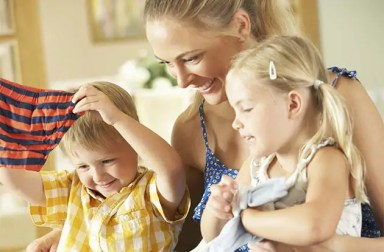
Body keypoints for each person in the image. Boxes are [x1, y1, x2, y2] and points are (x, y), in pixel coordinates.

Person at [29, 0, 384, 251]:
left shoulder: (334, 96)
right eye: (167, 63)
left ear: (241, 26)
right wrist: (80, 236)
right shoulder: (190, 129)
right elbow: (184, 238)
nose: (181, 80)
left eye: (191, 57)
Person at [201, 35, 378, 251]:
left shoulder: (326, 160)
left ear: (293, 104)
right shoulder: (257, 166)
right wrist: (217, 208)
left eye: (246, 108)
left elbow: (315, 225)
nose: (236, 123)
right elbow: (214, 236)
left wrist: (247, 220)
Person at [0, 81, 190, 251]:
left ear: (135, 145)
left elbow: (172, 169)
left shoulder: (150, 193)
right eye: (83, 166)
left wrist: (118, 119)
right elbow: (14, 179)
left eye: (107, 161)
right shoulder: (72, 188)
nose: (97, 176)